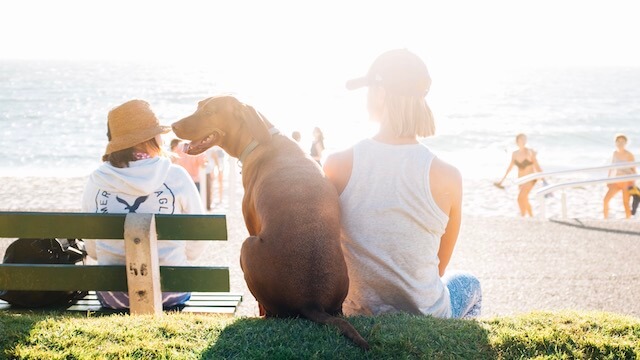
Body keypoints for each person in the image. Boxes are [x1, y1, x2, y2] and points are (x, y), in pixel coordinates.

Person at [323, 49, 481, 319]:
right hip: (427, 315)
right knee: (470, 284)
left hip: (358, 312)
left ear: (381, 93)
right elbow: (439, 269)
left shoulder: (337, 164)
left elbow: (326, 248)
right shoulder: (448, 176)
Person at [82, 99, 206, 309]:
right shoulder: (175, 175)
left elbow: (92, 250)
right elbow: (199, 235)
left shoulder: (97, 179)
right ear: (153, 138)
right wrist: (181, 257)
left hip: (113, 294)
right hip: (171, 290)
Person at [495, 133, 543, 217]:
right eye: (522, 139)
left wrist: (544, 180)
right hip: (520, 180)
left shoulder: (530, 152)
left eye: (525, 139)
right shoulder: (515, 153)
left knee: (520, 198)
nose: (524, 141)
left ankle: (523, 216)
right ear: (517, 141)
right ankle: (531, 217)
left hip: (530, 179)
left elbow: (537, 166)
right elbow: (509, 168)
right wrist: (501, 181)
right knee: (524, 199)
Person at [603, 134, 636, 219]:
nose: (620, 143)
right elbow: (611, 168)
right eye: (618, 141)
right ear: (615, 142)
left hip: (626, 182)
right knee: (606, 200)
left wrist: (633, 183)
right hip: (617, 181)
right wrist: (608, 180)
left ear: (626, 143)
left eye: (622, 141)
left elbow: (634, 170)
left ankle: (628, 221)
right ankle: (605, 220)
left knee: (625, 202)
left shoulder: (629, 155)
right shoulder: (614, 153)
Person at [204, 146, 225, 210]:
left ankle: (218, 199)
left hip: (215, 161)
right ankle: (215, 199)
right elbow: (214, 155)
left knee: (217, 181)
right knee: (213, 182)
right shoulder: (213, 150)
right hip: (212, 162)